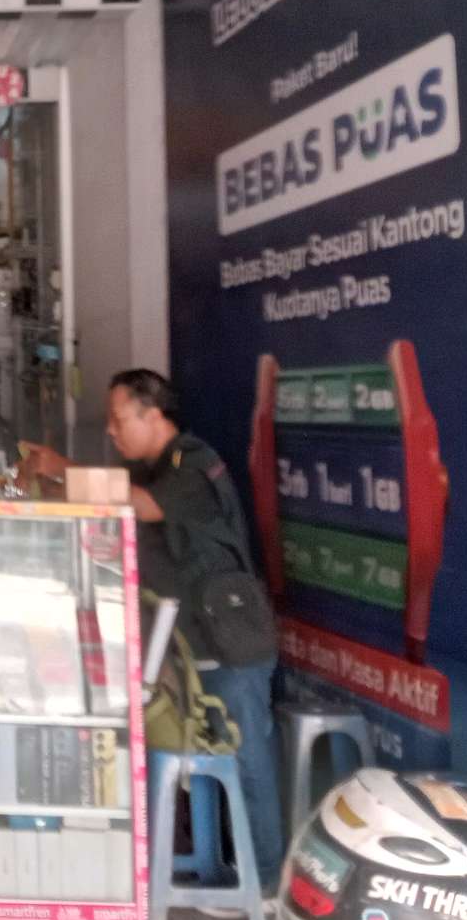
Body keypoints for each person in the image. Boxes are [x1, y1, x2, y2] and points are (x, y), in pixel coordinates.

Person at [24, 368, 284, 886]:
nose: (112, 431)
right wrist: (44, 486)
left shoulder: (194, 465)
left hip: (228, 641)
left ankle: (269, 884)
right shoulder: (147, 470)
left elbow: (136, 504)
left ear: (154, 415)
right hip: (185, 644)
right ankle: (220, 870)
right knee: (203, 757)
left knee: (247, 759)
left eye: (119, 419)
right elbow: (108, 497)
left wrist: (61, 467)